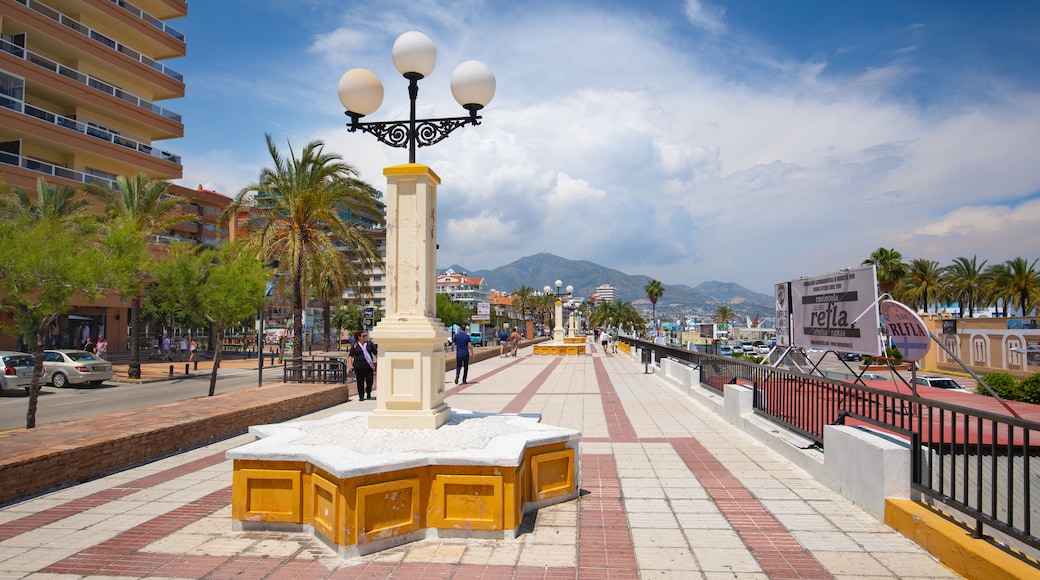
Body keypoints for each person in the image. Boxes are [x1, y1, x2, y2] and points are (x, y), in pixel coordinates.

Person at [347, 331, 377, 401]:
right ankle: (361, 396)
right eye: (363, 336)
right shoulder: (355, 345)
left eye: (365, 336)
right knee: (360, 382)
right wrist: (350, 365)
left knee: (370, 381)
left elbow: (376, 353)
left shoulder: (370, 344)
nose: (365, 337)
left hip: (368, 366)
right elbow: (350, 356)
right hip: (358, 366)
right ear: (359, 337)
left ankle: (368, 391)